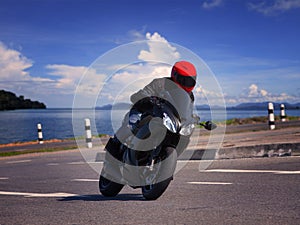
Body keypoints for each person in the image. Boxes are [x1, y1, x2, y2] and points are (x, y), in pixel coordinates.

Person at [105, 61, 197, 161]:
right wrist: (147, 98)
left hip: (167, 120)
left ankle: (163, 159)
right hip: (146, 113)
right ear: (174, 74)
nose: (185, 83)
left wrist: (192, 119)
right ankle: (112, 150)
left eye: (189, 81)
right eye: (183, 79)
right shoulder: (160, 83)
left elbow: (187, 111)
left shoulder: (189, 96)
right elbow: (140, 95)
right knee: (130, 125)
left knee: (184, 134)